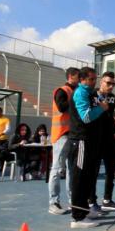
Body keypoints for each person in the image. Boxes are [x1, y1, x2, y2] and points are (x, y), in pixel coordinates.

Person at [67, 67, 109, 228]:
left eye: (95, 79)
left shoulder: (91, 93)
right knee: (80, 177)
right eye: (91, 79)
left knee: (88, 177)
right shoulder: (81, 93)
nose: (94, 82)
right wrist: (101, 108)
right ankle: (77, 216)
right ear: (82, 79)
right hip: (81, 141)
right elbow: (86, 117)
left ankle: (84, 209)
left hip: (91, 141)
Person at [47, 67, 80, 215]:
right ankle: (53, 202)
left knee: (72, 171)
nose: (80, 79)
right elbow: (61, 107)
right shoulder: (62, 91)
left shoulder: (76, 91)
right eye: (78, 77)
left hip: (73, 135)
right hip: (61, 135)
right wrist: (75, 99)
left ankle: (73, 201)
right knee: (57, 169)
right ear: (71, 76)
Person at [96, 71, 115, 211]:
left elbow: (109, 115)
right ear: (101, 81)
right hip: (95, 137)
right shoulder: (93, 95)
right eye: (108, 83)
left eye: (113, 84)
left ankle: (107, 200)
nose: (111, 86)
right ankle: (91, 202)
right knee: (93, 171)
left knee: (112, 169)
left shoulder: (112, 97)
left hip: (109, 137)